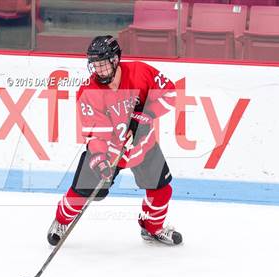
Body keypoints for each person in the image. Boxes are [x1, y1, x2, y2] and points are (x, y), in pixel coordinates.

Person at [47, 35, 183, 246]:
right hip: (111, 152)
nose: (99, 70)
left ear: (116, 59)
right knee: (82, 192)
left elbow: (170, 93)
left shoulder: (140, 72)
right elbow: (95, 134)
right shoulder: (88, 91)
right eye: (95, 65)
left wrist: (145, 117)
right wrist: (100, 160)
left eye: (103, 64)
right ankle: (61, 221)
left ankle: (152, 228)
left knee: (161, 189)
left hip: (142, 146)